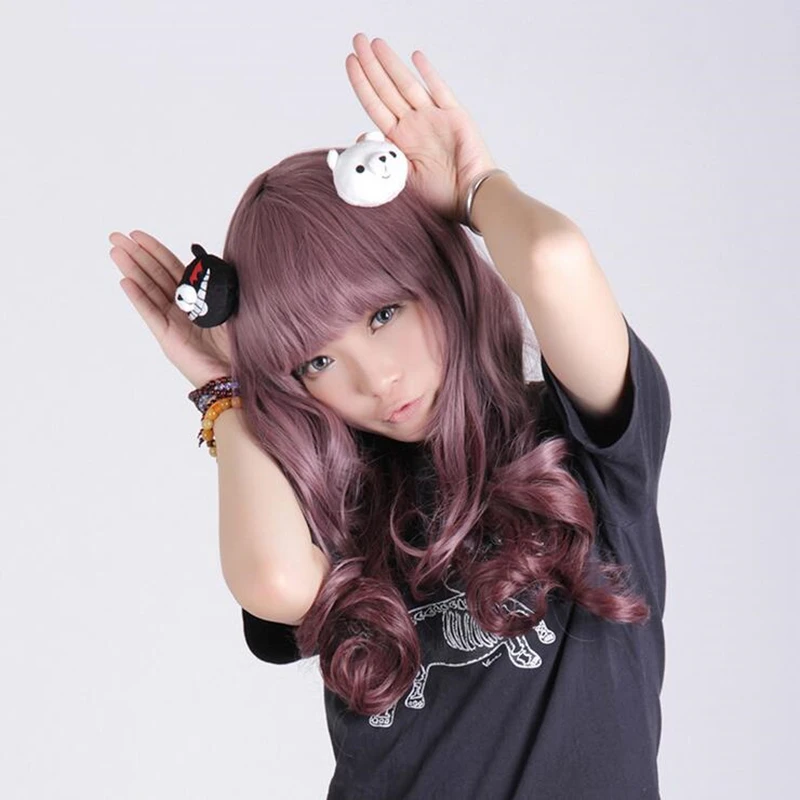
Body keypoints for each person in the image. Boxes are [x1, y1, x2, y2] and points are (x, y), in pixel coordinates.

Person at [108, 32, 671, 800]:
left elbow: (551, 262)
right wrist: (224, 390)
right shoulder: (336, 506)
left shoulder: (578, 445)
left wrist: (474, 189)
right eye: (316, 361)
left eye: (383, 314)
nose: (375, 380)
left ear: (436, 275)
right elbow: (273, 580)